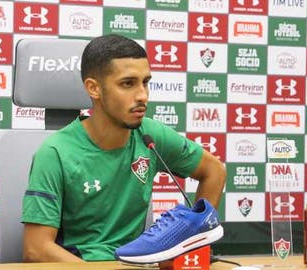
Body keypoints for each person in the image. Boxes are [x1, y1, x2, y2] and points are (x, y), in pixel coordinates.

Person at [21, 34, 226, 262]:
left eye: (145, 82)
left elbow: (214, 171)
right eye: (127, 84)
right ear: (94, 89)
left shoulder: (151, 135)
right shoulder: (55, 152)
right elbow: (36, 249)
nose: (142, 96)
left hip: (138, 264)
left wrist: (190, 244)